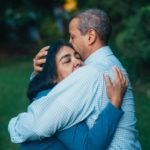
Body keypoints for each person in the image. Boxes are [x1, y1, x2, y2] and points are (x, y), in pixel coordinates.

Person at [8, 8, 141, 149]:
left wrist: (14, 125)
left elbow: (37, 126)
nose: (70, 42)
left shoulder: (90, 72)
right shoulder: (113, 64)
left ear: (90, 36)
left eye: (72, 36)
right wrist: (41, 73)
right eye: (66, 60)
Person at [20, 40, 126, 150]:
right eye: (67, 61)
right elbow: (89, 147)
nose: (77, 62)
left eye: (78, 57)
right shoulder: (59, 103)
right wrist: (115, 102)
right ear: (53, 77)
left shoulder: (48, 93)